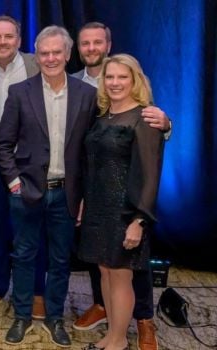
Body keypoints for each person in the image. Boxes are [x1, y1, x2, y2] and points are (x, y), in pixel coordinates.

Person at [0, 26, 99, 347]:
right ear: (36, 56)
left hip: (67, 193)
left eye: (57, 52)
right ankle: (22, 315)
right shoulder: (20, 92)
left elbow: (90, 151)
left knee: (60, 260)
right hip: (26, 192)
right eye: (44, 53)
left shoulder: (87, 94)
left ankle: (55, 317)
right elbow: (3, 144)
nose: (51, 58)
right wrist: (14, 183)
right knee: (23, 255)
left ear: (68, 55)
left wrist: (85, 195)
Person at [72, 23, 170, 350]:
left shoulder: (146, 118)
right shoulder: (103, 117)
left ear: (135, 80)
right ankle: (112, 334)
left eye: (122, 77)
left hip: (126, 213)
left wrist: (139, 220)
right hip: (97, 209)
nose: (114, 83)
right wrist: (84, 201)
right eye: (110, 77)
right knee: (105, 273)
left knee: (122, 276)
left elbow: (151, 174)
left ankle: (118, 340)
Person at [0, 15, 48, 319]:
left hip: (28, 164)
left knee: (31, 230)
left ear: (19, 39)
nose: (2, 42)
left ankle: (36, 291)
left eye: (8, 36)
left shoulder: (36, 65)